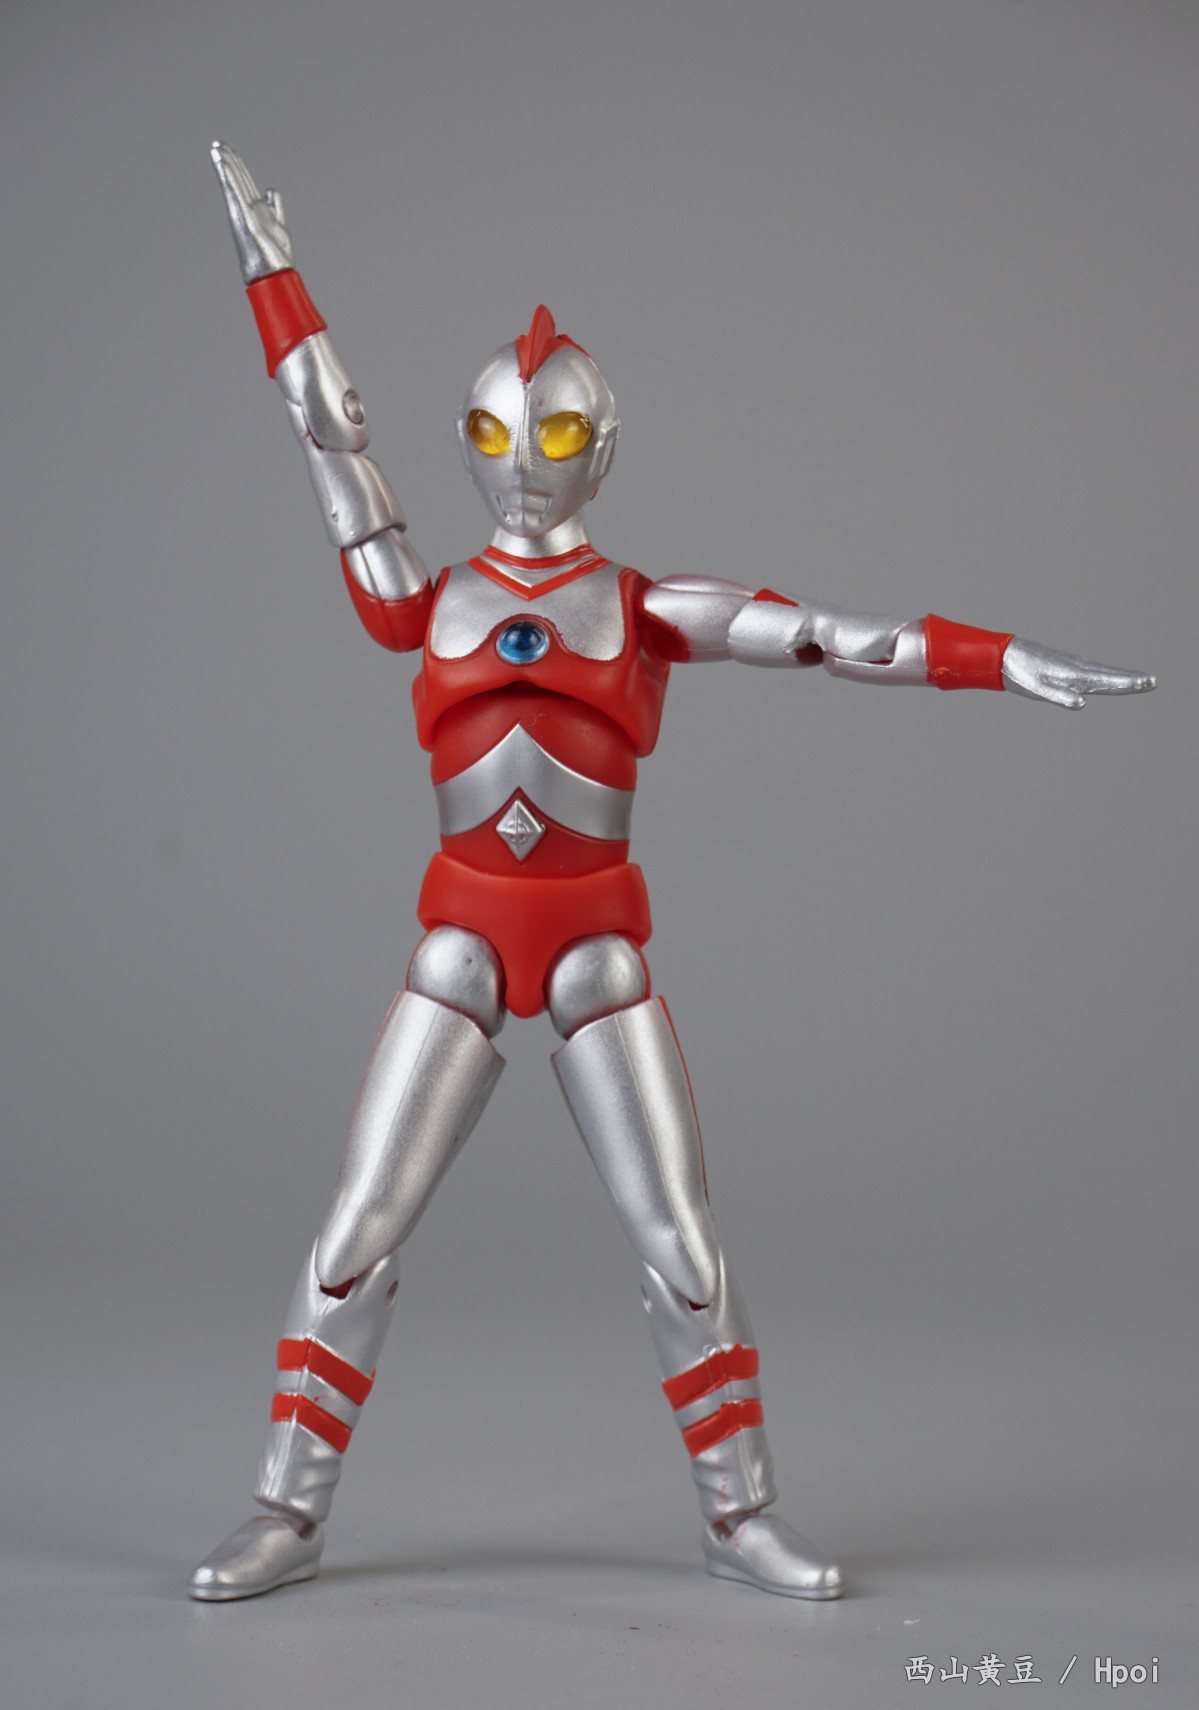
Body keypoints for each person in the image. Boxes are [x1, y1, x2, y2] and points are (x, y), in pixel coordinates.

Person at [189, 145, 1154, 1603]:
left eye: (556, 433)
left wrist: (1001, 658)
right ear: (466, 440)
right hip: (460, 944)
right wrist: (273, 272)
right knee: (352, 1238)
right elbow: (327, 434)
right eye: (498, 432)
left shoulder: (641, 608)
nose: (525, 461)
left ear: (604, 445)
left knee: (685, 1251)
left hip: (594, 951)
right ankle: (286, 1509)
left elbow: (839, 637)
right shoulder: (426, 598)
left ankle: (738, 1516)